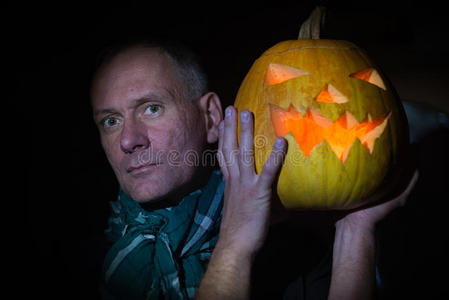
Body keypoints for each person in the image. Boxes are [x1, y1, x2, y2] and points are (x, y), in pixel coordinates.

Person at [89, 38, 418, 300]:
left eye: (151, 108)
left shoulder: (293, 251)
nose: (128, 140)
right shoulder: (97, 254)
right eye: (111, 121)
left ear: (211, 118)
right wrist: (235, 244)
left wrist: (354, 231)